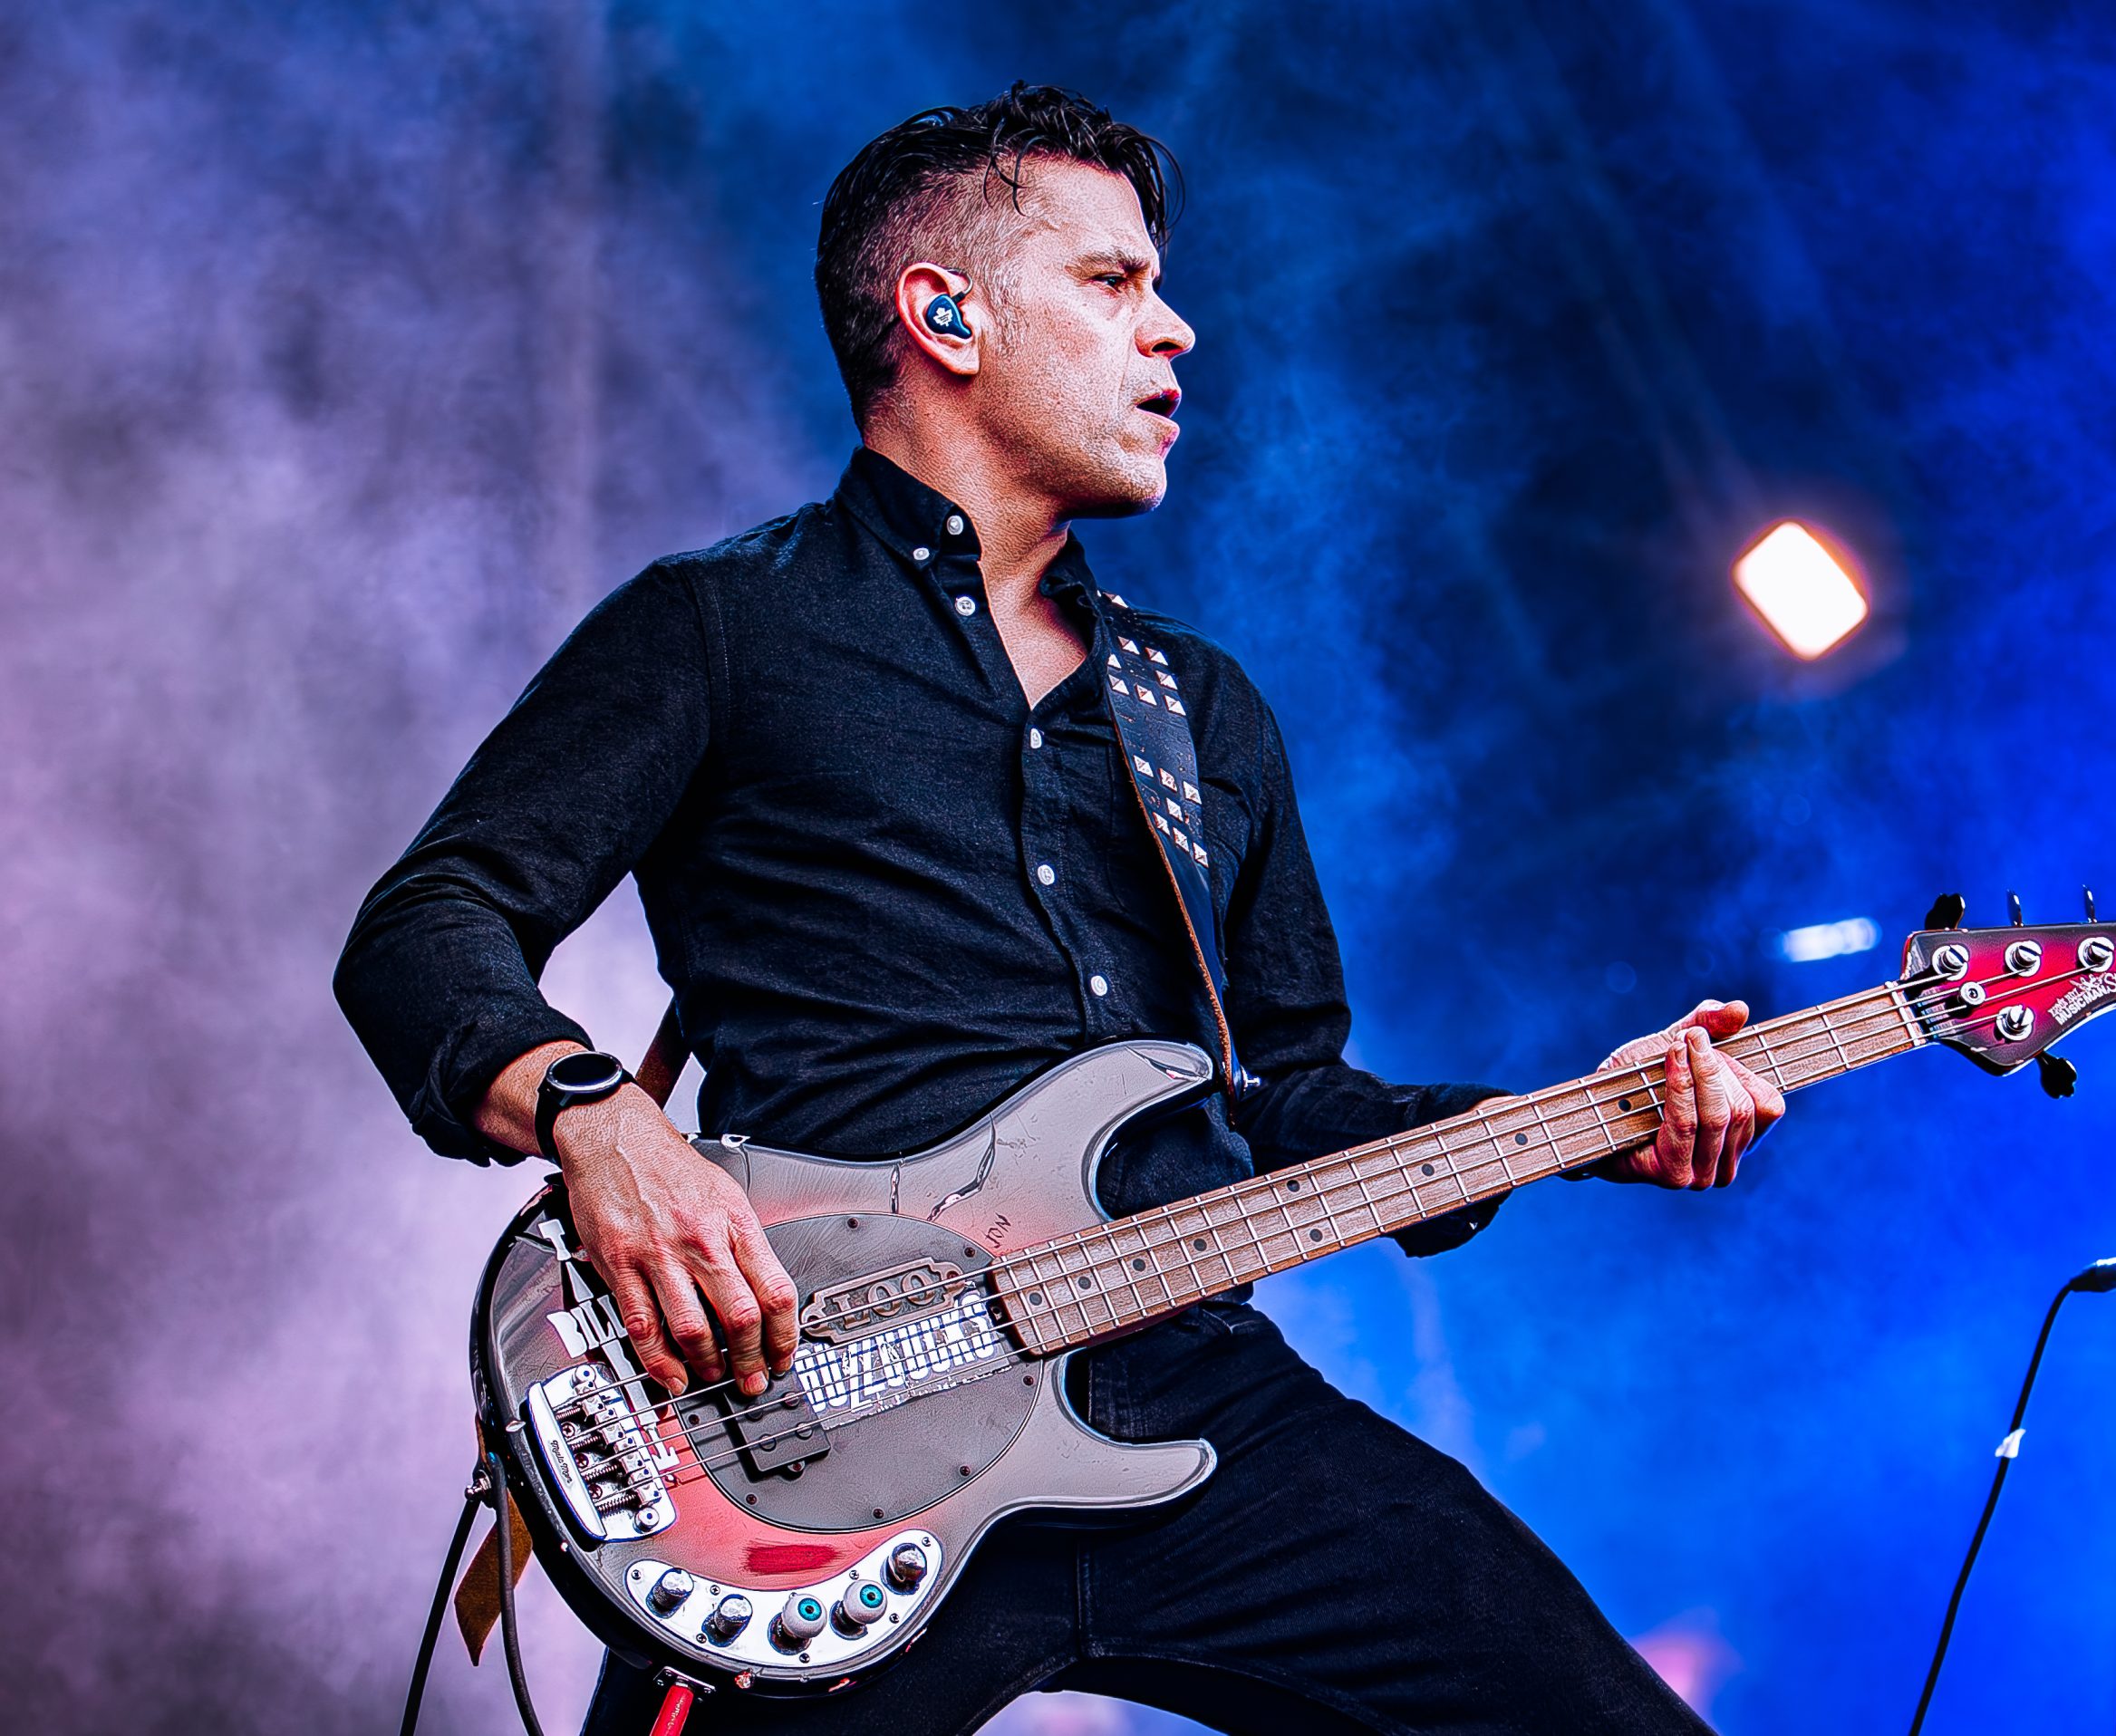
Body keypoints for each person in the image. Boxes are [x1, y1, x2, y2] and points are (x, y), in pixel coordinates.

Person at [335, 82, 1783, 1736]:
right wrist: (601, 1124)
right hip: (819, 1431)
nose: (1175, 331)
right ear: (943, 316)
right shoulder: (721, 627)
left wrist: (1582, 1119)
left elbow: (1280, 1098)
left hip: (1198, 1403)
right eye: (1112, 283)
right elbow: (428, 921)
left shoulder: (1202, 713)